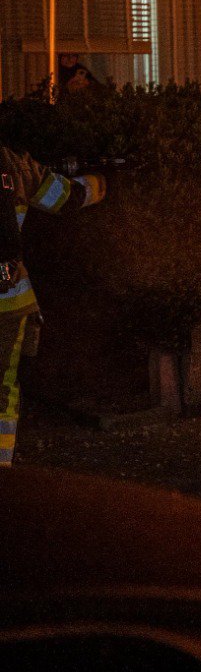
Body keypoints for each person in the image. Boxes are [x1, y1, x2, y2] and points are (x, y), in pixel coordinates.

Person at [0, 145, 106, 465]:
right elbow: (68, 197)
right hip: (10, 305)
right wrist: (100, 182)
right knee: (3, 396)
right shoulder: (14, 165)